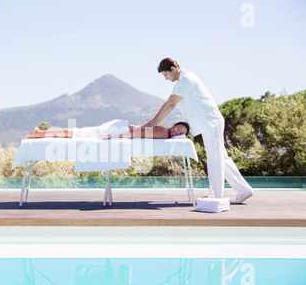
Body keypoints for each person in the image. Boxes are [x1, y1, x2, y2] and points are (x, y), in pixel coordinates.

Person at [141, 58, 254, 204]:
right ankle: (245, 191)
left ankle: (216, 197)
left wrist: (151, 124)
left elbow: (171, 104)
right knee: (221, 158)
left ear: (173, 69)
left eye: (166, 75)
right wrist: (150, 124)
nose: (166, 79)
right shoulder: (179, 83)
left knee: (215, 159)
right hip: (208, 123)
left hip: (211, 122)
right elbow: (168, 102)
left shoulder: (187, 79)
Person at [24, 121, 189, 139]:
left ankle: (40, 133)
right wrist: (112, 136)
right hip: (119, 129)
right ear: (175, 125)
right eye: (179, 129)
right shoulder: (163, 133)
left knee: (78, 132)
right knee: (77, 133)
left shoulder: (164, 132)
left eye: (181, 134)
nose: (178, 133)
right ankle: (39, 134)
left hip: (119, 127)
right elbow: (136, 134)